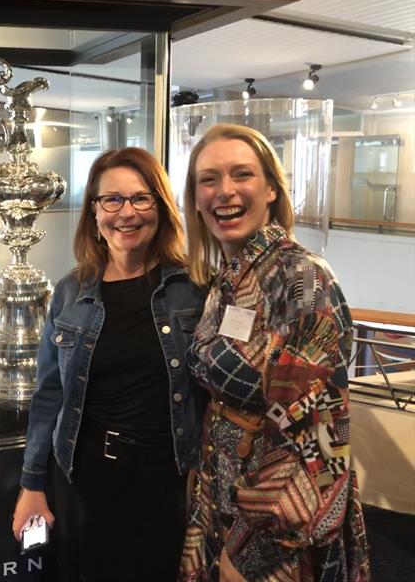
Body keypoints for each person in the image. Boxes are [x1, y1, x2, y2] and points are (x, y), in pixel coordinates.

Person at [178, 124, 371, 582]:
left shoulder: (303, 281)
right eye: (209, 179)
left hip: (279, 525)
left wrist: (251, 551)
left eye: (241, 174)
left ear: (270, 189)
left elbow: (317, 437)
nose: (224, 191)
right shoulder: (227, 277)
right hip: (223, 492)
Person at [13, 147, 207, 581]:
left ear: (160, 206)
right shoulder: (69, 293)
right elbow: (49, 398)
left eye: (141, 198)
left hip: (165, 483)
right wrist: (31, 485)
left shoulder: (193, 289)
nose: (127, 213)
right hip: (85, 480)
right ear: (95, 213)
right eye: (112, 200)